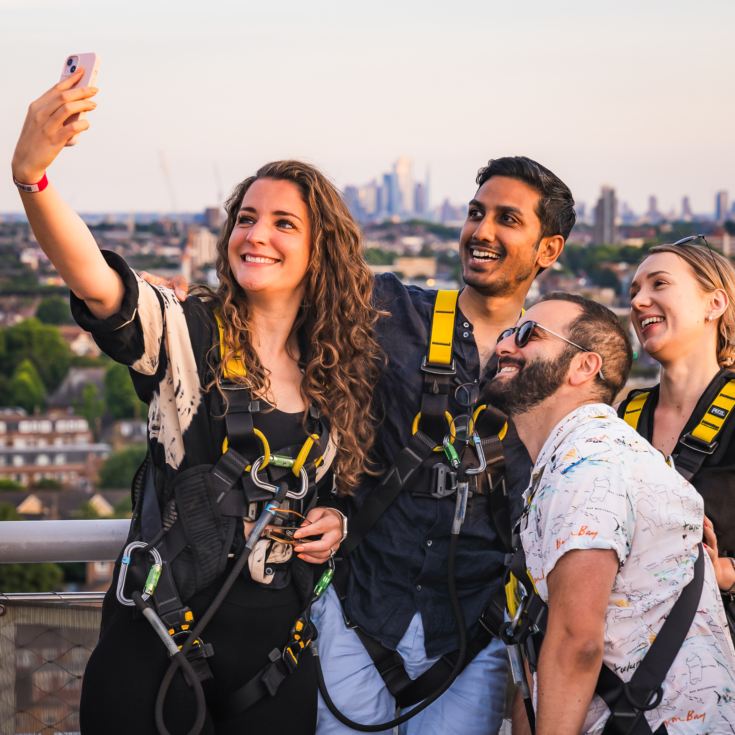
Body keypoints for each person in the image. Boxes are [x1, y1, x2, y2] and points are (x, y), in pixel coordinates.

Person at [11, 70, 383, 734]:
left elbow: (346, 488)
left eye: (282, 223)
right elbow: (100, 285)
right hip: (154, 654)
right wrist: (33, 178)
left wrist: (337, 518)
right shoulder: (186, 331)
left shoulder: (340, 371)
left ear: (319, 248)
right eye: (245, 218)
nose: (255, 234)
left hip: (276, 663)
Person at [311, 157, 573, 734]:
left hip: (469, 637)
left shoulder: (557, 368)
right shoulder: (391, 311)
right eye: (477, 213)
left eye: (508, 219)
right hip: (361, 614)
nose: (482, 231)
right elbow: (289, 301)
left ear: (548, 249)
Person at [485, 292, 735, 735]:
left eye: (528, 335)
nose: (505, 345)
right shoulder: (581, 457)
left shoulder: (589, 464)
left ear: (584, 366)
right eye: (508, 333)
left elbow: (576, 642)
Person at [621, 240, 735, 637]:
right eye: (634, 291)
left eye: (659, 284)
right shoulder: (626, 417)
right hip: (629, 661)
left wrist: (726, 572)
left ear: (714, 303)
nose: (639, 301)